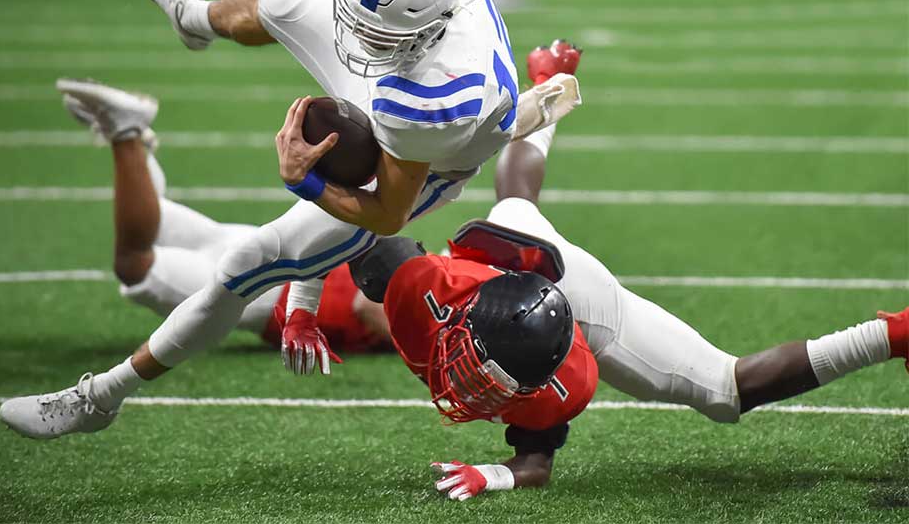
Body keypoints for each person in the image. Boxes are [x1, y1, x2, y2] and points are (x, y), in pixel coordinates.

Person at [0, 0, 580, 439]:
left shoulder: (433, 104)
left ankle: (101, 398)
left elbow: (385, 215)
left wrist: (305, 183)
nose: (357, 37)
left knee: (247, 262)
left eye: (372, 30)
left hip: (427, 162)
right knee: (281, 0)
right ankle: (191, 18)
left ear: (418, 25)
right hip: (410, 77)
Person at [346, 49, 909, 501]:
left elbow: (535, 464)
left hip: (575, 297)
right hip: (509, 256)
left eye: (498, 380)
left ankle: (895, 334)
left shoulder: (568, 373)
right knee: (514, 201)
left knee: (725, 389)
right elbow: (381, 251)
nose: (471, 385)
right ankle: (551, 80)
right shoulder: (416, 291)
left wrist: (494, 473)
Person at [54, 78, 392, 354]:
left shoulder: (437, 272)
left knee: (148, 216)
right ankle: (125, 131)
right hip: (267, 291)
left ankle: (134, 137)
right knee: (135, 265)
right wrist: (427, 340)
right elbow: (368, 305)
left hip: (274, 253)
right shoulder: (431, 290)